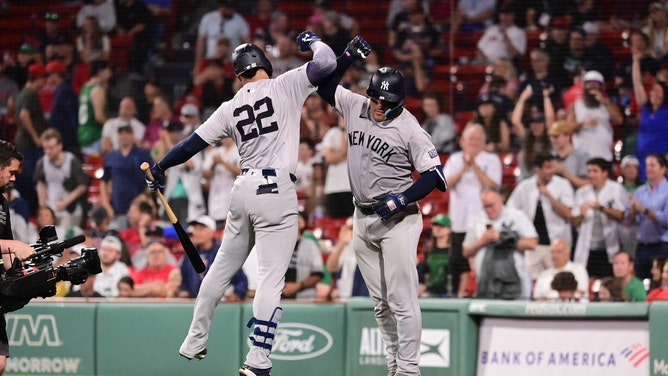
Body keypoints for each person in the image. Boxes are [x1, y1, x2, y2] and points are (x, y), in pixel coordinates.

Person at [145, 31, 336, 376]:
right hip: (275, 190)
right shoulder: (284, 85)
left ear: (238, 74)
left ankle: (194, 339)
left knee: (219, 269)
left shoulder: (230, 107)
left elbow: (190, 145)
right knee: (270, 280)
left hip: (242, 189)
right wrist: (313, 41)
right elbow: (326, 63)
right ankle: (258, 359)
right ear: (265, 65)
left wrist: (160, 167)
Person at [315, 37, 447, 376]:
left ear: (399, 100)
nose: (377, 105)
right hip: (362, 217)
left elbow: (435, 177)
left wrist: (402, 198)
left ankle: (409, 369)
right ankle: (393, 365)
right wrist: (345, 57)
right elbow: (323, 86)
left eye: (385, 101)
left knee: (402, 299)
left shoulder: (410, 129)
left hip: (399, 219)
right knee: (380, 304)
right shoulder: (358, 105)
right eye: (375, 96)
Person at [443, 123, 502, 296]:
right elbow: (445, 184)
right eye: (471, 139)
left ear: (484, 142)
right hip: (459, 221)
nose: (474, 142)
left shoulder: (491, 160)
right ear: (462, 141)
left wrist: (474, 166)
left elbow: (494, 186)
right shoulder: (455, 159)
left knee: (482, 260)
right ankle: (457, 296)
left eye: (478, 139)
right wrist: (464, 167)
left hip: (482, 221)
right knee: (458, 263)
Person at [0, 140, 37, 375]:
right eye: (11, 172)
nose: (14, 179)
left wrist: (27, 276)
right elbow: (10, 245)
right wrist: (12, 245)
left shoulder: (2, 204)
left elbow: (10, 255)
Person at [507, 153, 574, 280]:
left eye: (553, 167)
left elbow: (568, 213)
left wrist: (550, 196)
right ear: (538, 169)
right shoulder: (525, 187)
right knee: (532, 282)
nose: (552, 171)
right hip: (533, 247)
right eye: (548, 167)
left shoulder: (563, 185)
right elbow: (511, 211)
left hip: (556, 245)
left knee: (557, 280)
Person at [463, 187, 538, 300]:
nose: (488, 210)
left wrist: (503, 238)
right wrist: (482, 242)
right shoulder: (478, 221)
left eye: (491, 205)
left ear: (501, 199)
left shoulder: (516, 216)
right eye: (485, 206)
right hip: (486, 281)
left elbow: (532, 243)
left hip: (513, 280)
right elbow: (466, 251)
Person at [572, 158, 628, 279]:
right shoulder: (581, 192)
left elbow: (621, 215)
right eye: (589, 171)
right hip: (587, 249)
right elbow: (575, 223)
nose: (591, 174)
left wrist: (601, 208)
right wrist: (582, 214)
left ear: (605, 173)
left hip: (609, 248)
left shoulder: (616, 189)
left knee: (609, 284)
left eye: (595, 171)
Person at [178, 215, 248, 300]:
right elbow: (184, 277)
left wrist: (237, 293)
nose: (197, 232)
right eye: (195, 229)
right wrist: (184, 290)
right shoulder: (189, 254)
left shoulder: (224, 253)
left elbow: (241, 279)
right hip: (195, 301)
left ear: (212, 231)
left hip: (220, 302)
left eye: (201, 229)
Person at [99, 124, 152, 230]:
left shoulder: (142, 155)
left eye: (126, 133)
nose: (123, 136)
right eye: (121, 133)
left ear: (132, 135)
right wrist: (106, 204)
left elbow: (152, 178)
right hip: (117, 207)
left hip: (138, 208)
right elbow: (104, 181)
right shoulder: (112, 156)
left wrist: (145, 195)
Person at [34, 129, 89, 231]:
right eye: (45, 148)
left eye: (51, 148)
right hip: (51, 207)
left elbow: (83, 185)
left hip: (69, 209)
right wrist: (43, 206)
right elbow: (41, 184)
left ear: (60, 146)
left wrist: (65, 202)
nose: (48, 151)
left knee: (63, 235)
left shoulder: (72, 161)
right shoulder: (42, 162)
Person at [627, 153, 668, 280]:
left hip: (661, 246)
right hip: (641, 246)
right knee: (641, 282)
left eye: (652, 165)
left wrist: (644, 210)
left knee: (661, 282)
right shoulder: (639, 191)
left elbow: (666, 220)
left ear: (663, 169)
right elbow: (630, 221)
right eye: (646, 165)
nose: (648, 168)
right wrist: (633, 212)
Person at [566, 70, 622, 161]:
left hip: (604, 155)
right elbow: (568, 129)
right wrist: (583, 123)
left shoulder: (608, 104)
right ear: (584, 86)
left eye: (596, 83)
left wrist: (603, 101)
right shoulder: (576, 105)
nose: (592, 86)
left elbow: (619, 120)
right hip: (582, 157)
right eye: (588, 83)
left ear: (601, 86)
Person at [282, 211, 324, 300]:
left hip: (303, 299)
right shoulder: (278, 245)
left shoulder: (311, 246)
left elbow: (318, 274)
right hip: (278, 298)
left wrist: (299, 285)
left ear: (302, 223)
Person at [202, 137, 240, 228]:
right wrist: (214, 164)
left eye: (227, 136)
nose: (225, 139)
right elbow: (205, 175)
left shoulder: (239, 151)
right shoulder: (214, 152)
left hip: (234, 192)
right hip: (216, 194)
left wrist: (223, 162)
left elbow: (242, 172)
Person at [78, 60, 112, 157]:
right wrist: (113, 124)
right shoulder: (97, 90)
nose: (110, 73)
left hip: (83, 133)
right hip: (94, 136)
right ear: (100, 71)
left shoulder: (85, 88)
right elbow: (99, 117)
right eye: (108, 70)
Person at [45, 60, 79, 157]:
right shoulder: (60, 90)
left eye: (49, 75)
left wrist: (76, 141)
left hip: (66, 140)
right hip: (61, 139)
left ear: (56, 75)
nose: (47, 79)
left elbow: (72, 115)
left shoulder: (65, 91)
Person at [548, 120, 590, 190]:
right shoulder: (549, 156)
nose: (553, 140)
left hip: (576, 197)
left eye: (556, 136)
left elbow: (587, 184)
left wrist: (564, 173)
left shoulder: (581, 156)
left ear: (567, 136)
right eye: (551, 136)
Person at [421, 214, 455, 297]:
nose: (437, 229)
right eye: (435, 226)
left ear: (448, 229)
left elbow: (463, 274)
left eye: (441, 226)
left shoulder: (454, 250)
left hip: (449, 293)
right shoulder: (429, 250)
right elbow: (426, 272)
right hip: (430, 291)